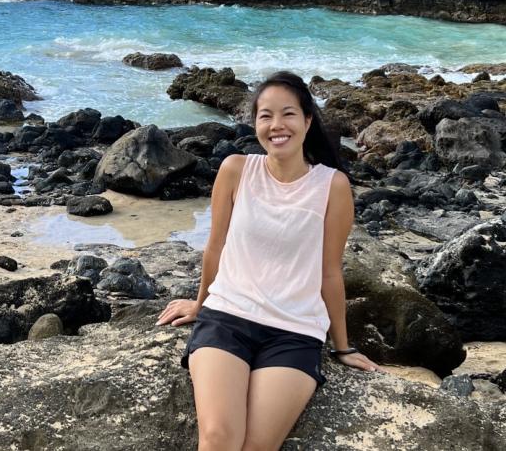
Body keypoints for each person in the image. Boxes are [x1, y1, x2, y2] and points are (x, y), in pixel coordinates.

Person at [156, 71, 380, 451]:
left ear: (308, 121)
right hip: (227, 318)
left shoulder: (333, 186)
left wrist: (342, 347)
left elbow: (330, 271)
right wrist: (200, 303)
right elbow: (215, 246)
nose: (277, 125)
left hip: (294, 332)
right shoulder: (236, 170)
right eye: (265, 116)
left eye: (288, 114)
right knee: (218, 438)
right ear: (255, 123)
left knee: (257, 446)